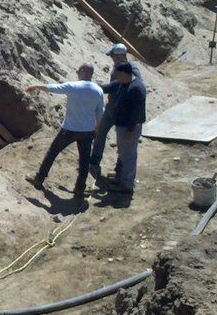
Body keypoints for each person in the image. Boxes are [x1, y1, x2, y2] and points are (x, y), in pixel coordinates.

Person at [25, 63, 104, 200]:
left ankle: (39, 179)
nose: (78, 73)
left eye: (79, 71)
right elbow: (99, 113)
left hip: (69, 129)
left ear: (83, 72)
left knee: (52, 153)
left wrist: (36, 86)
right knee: (84, 161)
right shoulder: (98, 91)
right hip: (87, 131)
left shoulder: (72, 86)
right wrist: (97, 129)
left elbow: (53, 88)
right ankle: (79, 188)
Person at [90, 43, 142, 183]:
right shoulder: (117, 68)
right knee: (100, 133)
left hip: (122, 113)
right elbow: (113, 86)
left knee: (123, 143)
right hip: (111, 108)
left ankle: (121, 172)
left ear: (120, 56)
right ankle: (94, 163)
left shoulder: (131, 70)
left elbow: (135, 89)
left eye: (113, 56)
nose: (112, 59)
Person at [104, 62, 146, 195]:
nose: (115, 77)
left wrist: (130, 130)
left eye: (117, 74)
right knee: (123, 153)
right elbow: (108, 87)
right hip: (122, 125)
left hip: (129, 128)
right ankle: (121, 178)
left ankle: (127, 185)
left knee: (129, 155)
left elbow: (136, 112)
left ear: (124, 74)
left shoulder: (136, 88)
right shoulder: (122, 83)